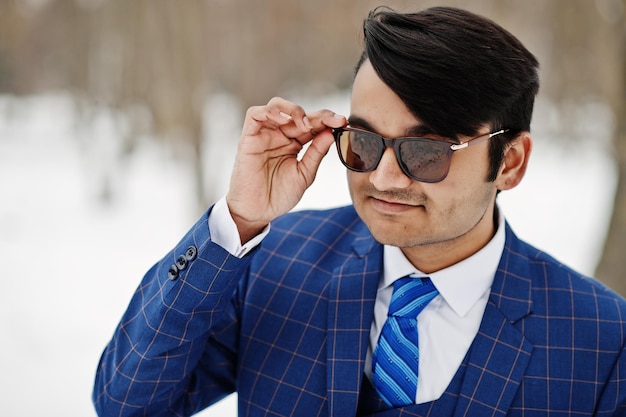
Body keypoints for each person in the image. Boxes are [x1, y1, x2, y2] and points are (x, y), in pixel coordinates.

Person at [92, 5, 626, 417]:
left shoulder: (601, 339)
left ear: (509, 162)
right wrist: (238, 219)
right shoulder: (274, 261)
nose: (384, 177)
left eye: (426, 152)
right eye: (364, 142)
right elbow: (127, 403)